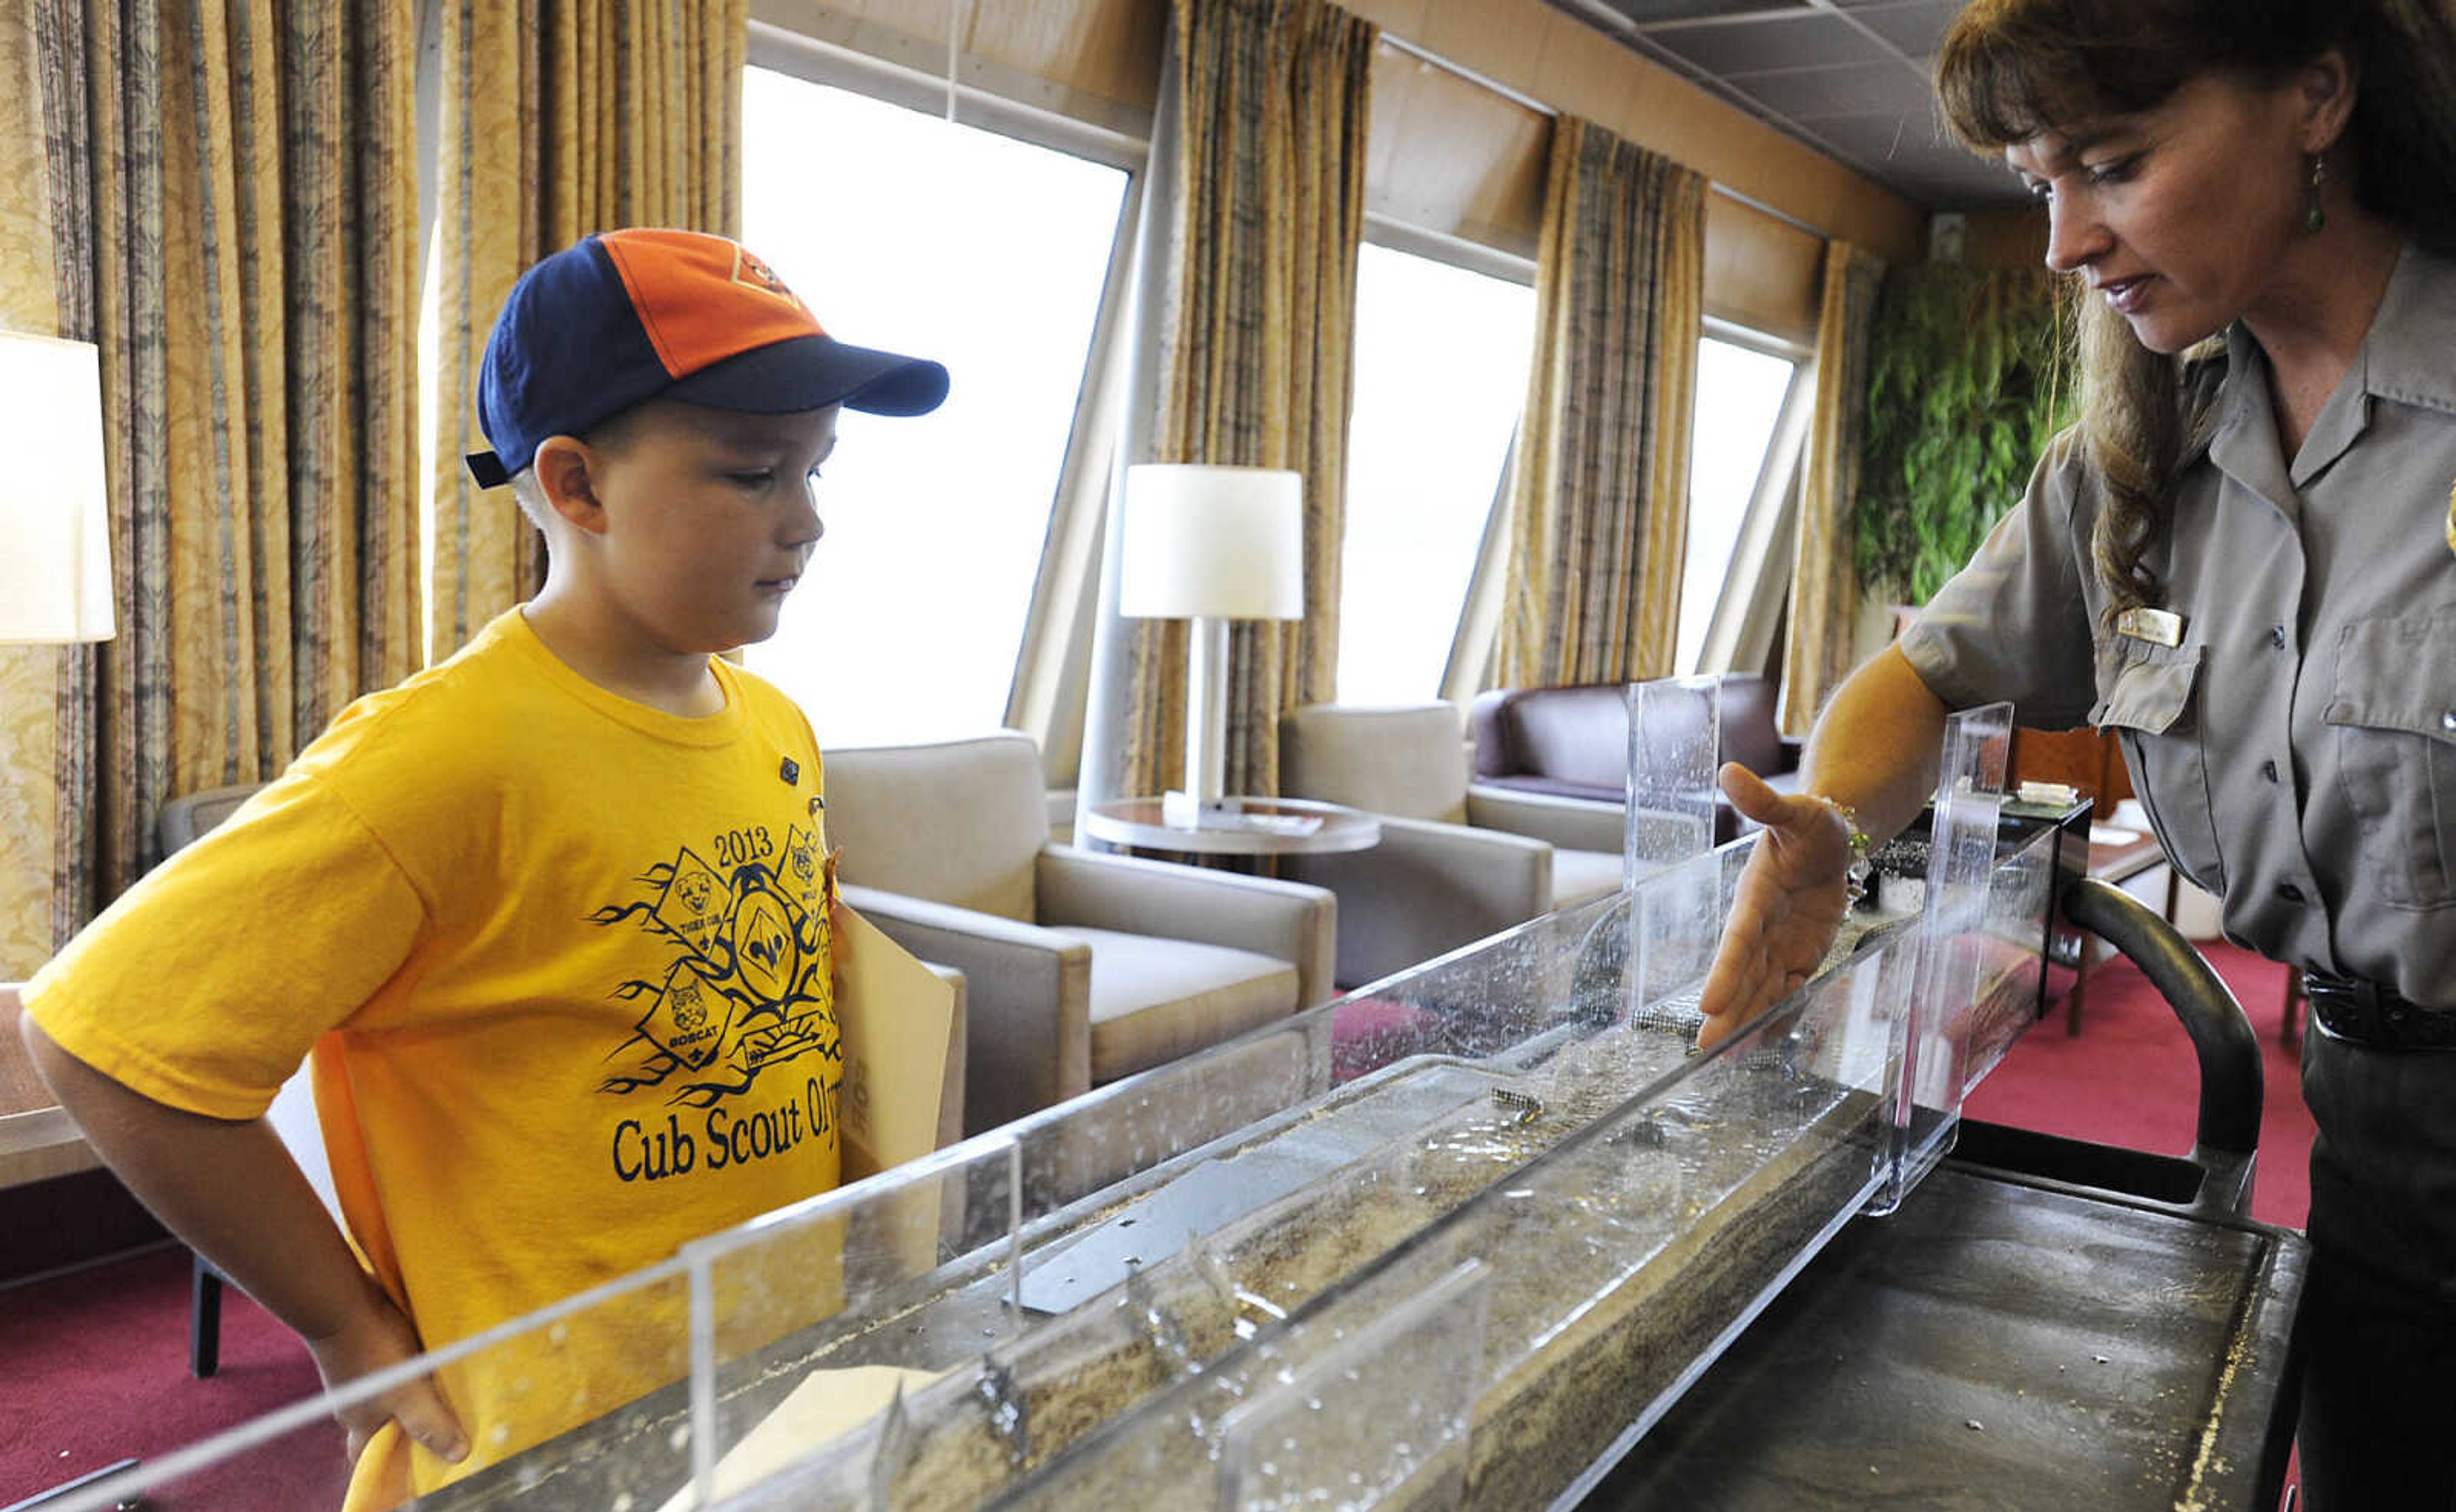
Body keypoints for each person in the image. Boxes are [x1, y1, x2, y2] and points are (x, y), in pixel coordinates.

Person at [10, 226, 949, 1509]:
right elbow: (102, 1041)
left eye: (818, 471)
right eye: (753, 472)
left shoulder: (775, 727)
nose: (809, 521)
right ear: (577, 484)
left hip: (769, 1379)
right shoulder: (439, 757)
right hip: (539, 1440)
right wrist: (344, 1329)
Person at [1695, 1, 2456, 1504]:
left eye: (2110, 162)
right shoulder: (2140, 463)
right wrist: (1835, 820)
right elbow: (1922, 671)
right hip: (2371, 1157)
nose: (2062, 241)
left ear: (2317, 96)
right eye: (2041, 180)